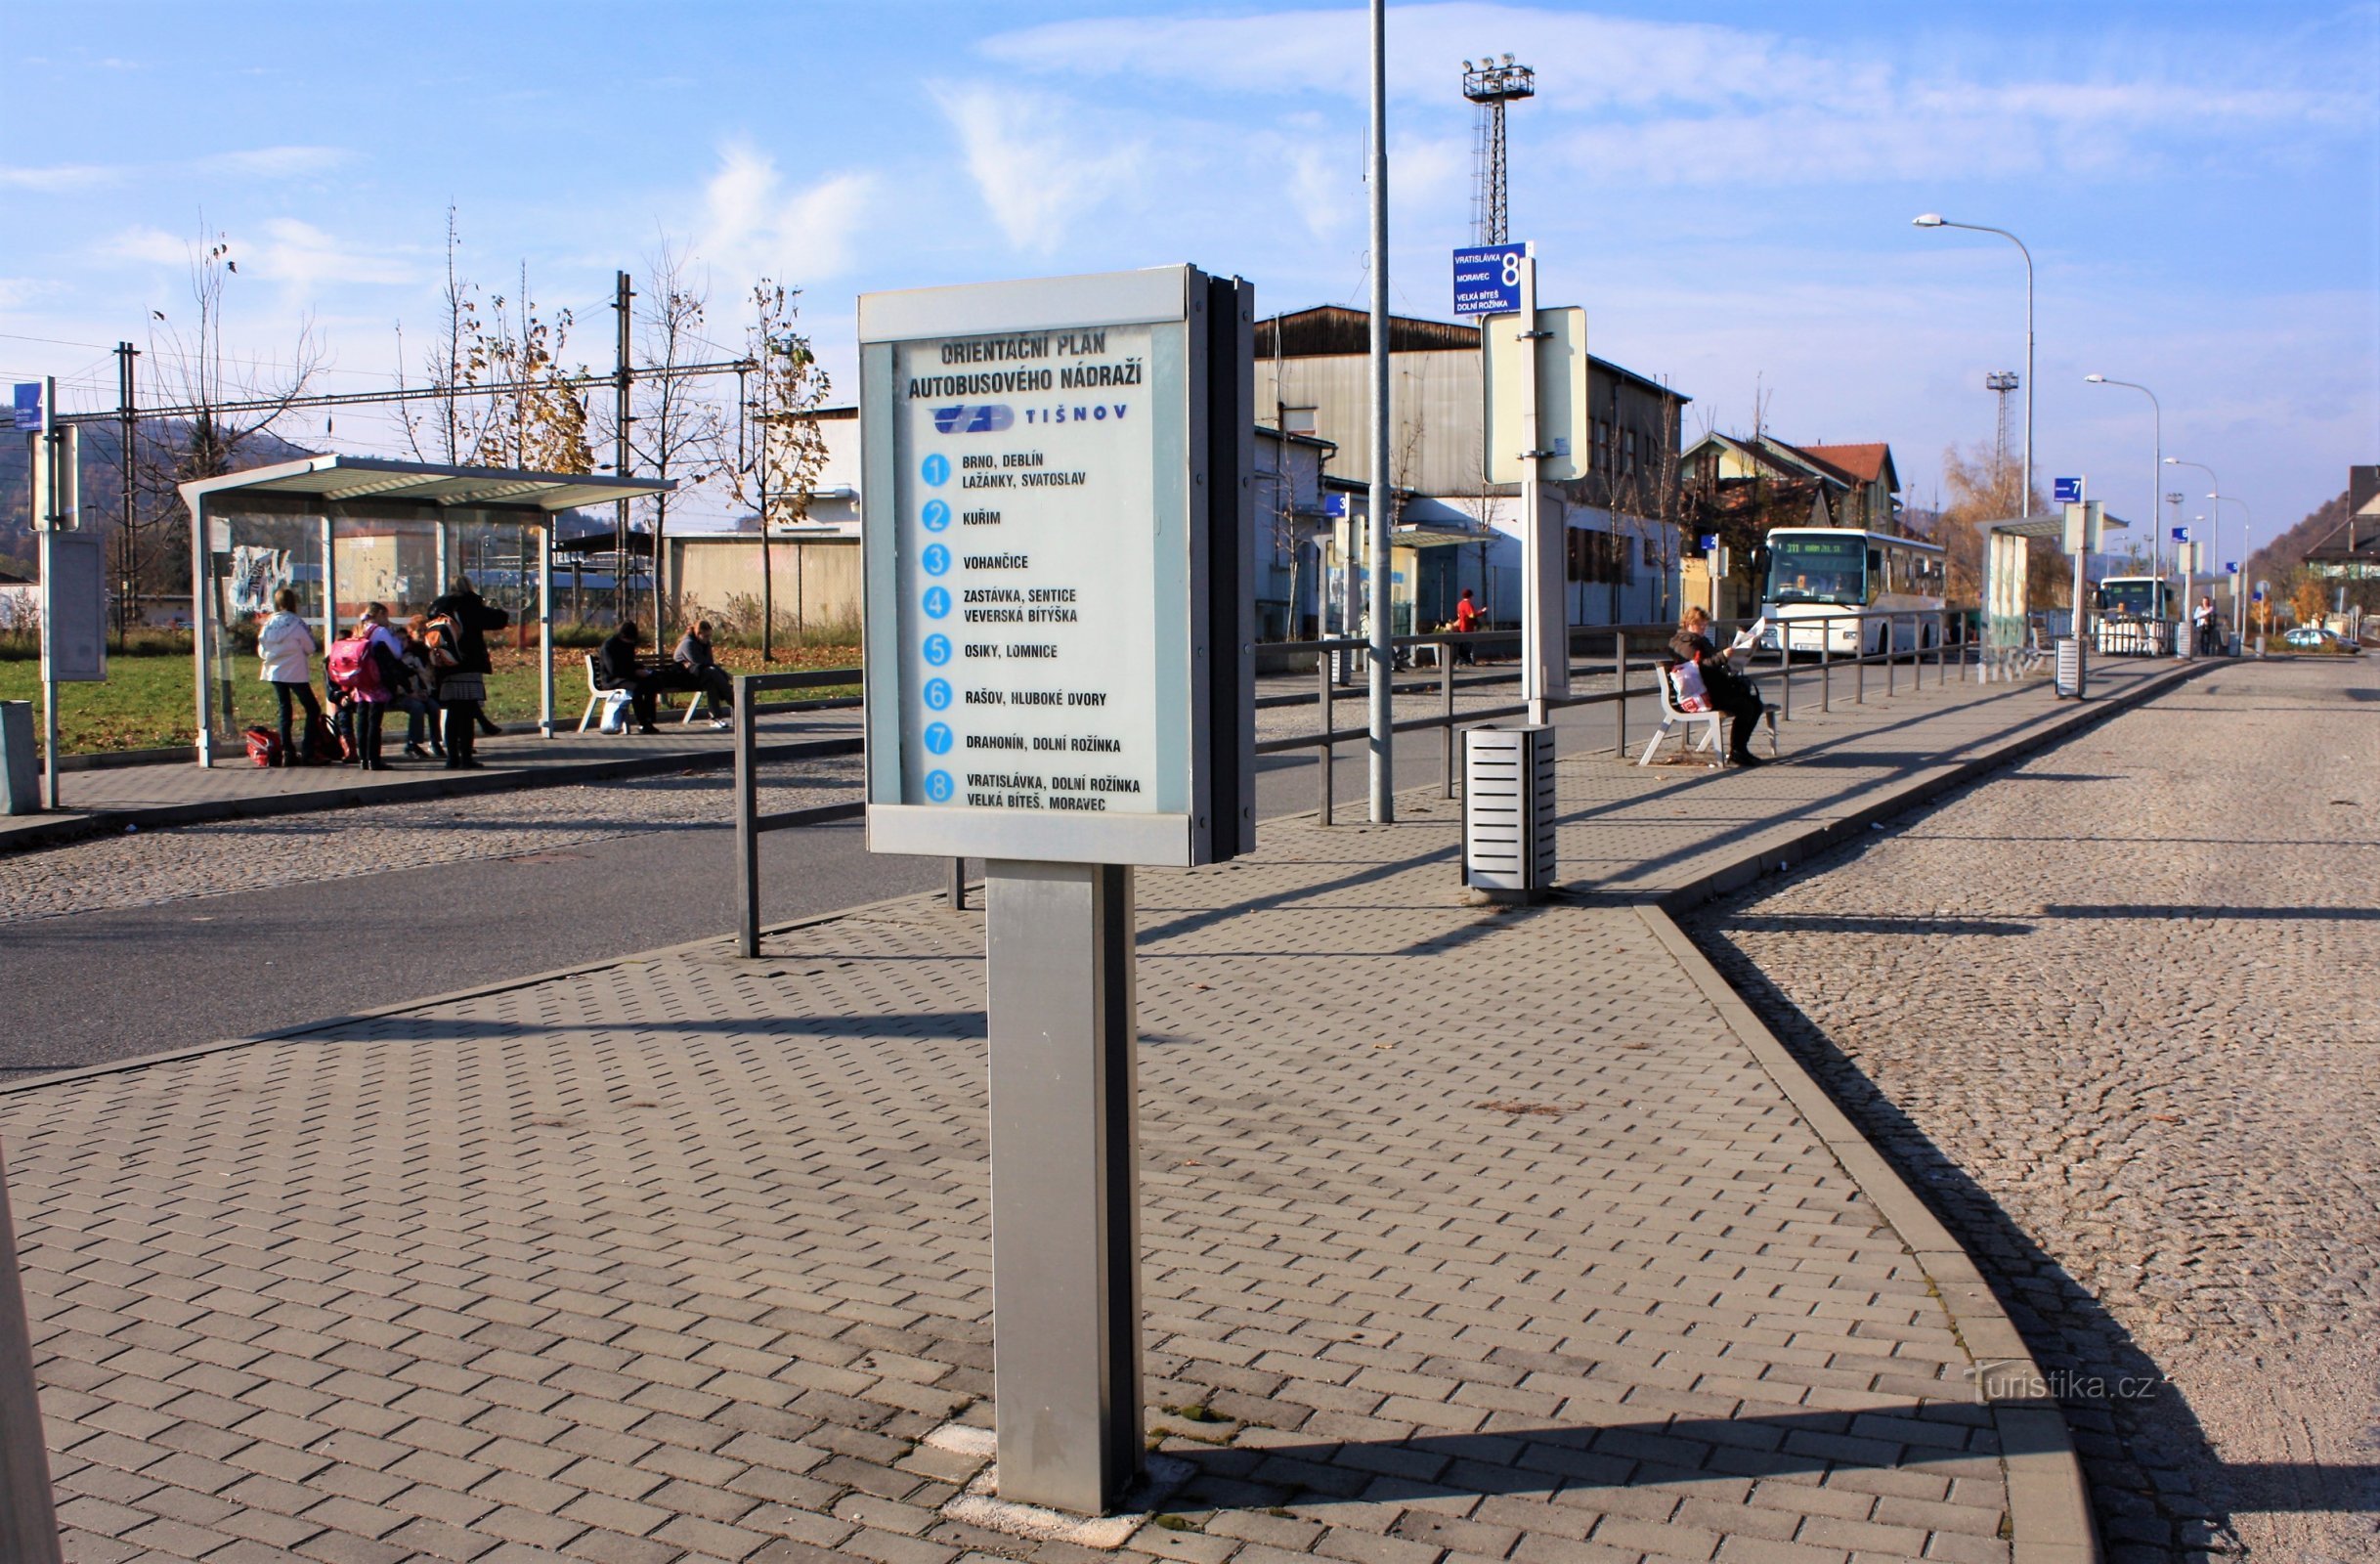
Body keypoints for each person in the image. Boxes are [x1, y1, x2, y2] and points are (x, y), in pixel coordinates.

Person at [426, 576, 510, 767]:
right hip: (468, 663)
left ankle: (451, 758)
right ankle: (466, 757)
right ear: (468, 587)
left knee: (453, 713)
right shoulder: (469, 604)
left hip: (445, 665)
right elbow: (499, 619)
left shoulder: (437, 607)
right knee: (466, 715)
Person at [1669, 604, 1766, 767]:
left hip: (1713, 688)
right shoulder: (1684, 642)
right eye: (1700, 624)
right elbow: (1699, 666)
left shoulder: (1700, 640)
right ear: (1688, 623)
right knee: (1746, 706)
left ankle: (1740, 750)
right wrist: (1723, 656)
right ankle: (1737, 751)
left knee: (1755, 704)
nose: (1703, 628)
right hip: (1703, 694)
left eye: (1705, 624)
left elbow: (1709, 664)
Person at [255, 587, 323, 767]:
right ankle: (308, 750)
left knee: (285, 709)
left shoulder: (268, 623)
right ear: (294, 603)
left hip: (274, 671)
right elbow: (310, 647)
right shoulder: (297, 624)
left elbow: (262, 650)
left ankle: (287, 751)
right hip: (295, 671)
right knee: (313, 709)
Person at [598, 619, 664, 734]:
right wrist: (635, 672)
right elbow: (613, 670)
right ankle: (642, 722)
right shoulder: (609, 646)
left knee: (652, 683)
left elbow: (630, 663)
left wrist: (642, 669)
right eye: (628, 640)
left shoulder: (628, 644)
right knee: (636, 688)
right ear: (622, 635)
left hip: (627, 676)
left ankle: (649, 720)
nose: (630, 642)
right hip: (613, 679)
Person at [395, 613, 444, 760]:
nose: (423, 634)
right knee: (418, 707)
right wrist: (413, 693)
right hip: (401, 693)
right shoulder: (404, 653)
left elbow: (426, 675)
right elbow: (403, 677)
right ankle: (412, 744)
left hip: (420, 691)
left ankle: (435, 742)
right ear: (411, 632)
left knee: (434, 706)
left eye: (425, 631)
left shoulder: (425, 650)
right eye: (419, 631)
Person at [671, 620, 734, 728]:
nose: (708, 639)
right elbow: (699, 662)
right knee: (712, 673)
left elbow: (709, 663)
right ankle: (734, 701)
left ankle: (715, 719)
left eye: (709, 636)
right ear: (698, 633)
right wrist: (724, 673)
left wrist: (722, 673)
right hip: (684, 677)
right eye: (705, 636)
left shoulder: (706, 644)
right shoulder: (688, 643)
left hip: (700, 675)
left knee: (712, 682)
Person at [1451, 588, 1481, 665]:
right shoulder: (1468, 604)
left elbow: (1459, 615)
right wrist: (1481, 612)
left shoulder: (1460, 604)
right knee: (1468, 643)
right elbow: (1471, 615)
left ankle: (1461, 659)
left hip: (1461, 625)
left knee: (1462, 643)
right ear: (1470, 596)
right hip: (1468, 626)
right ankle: (1466, 659)